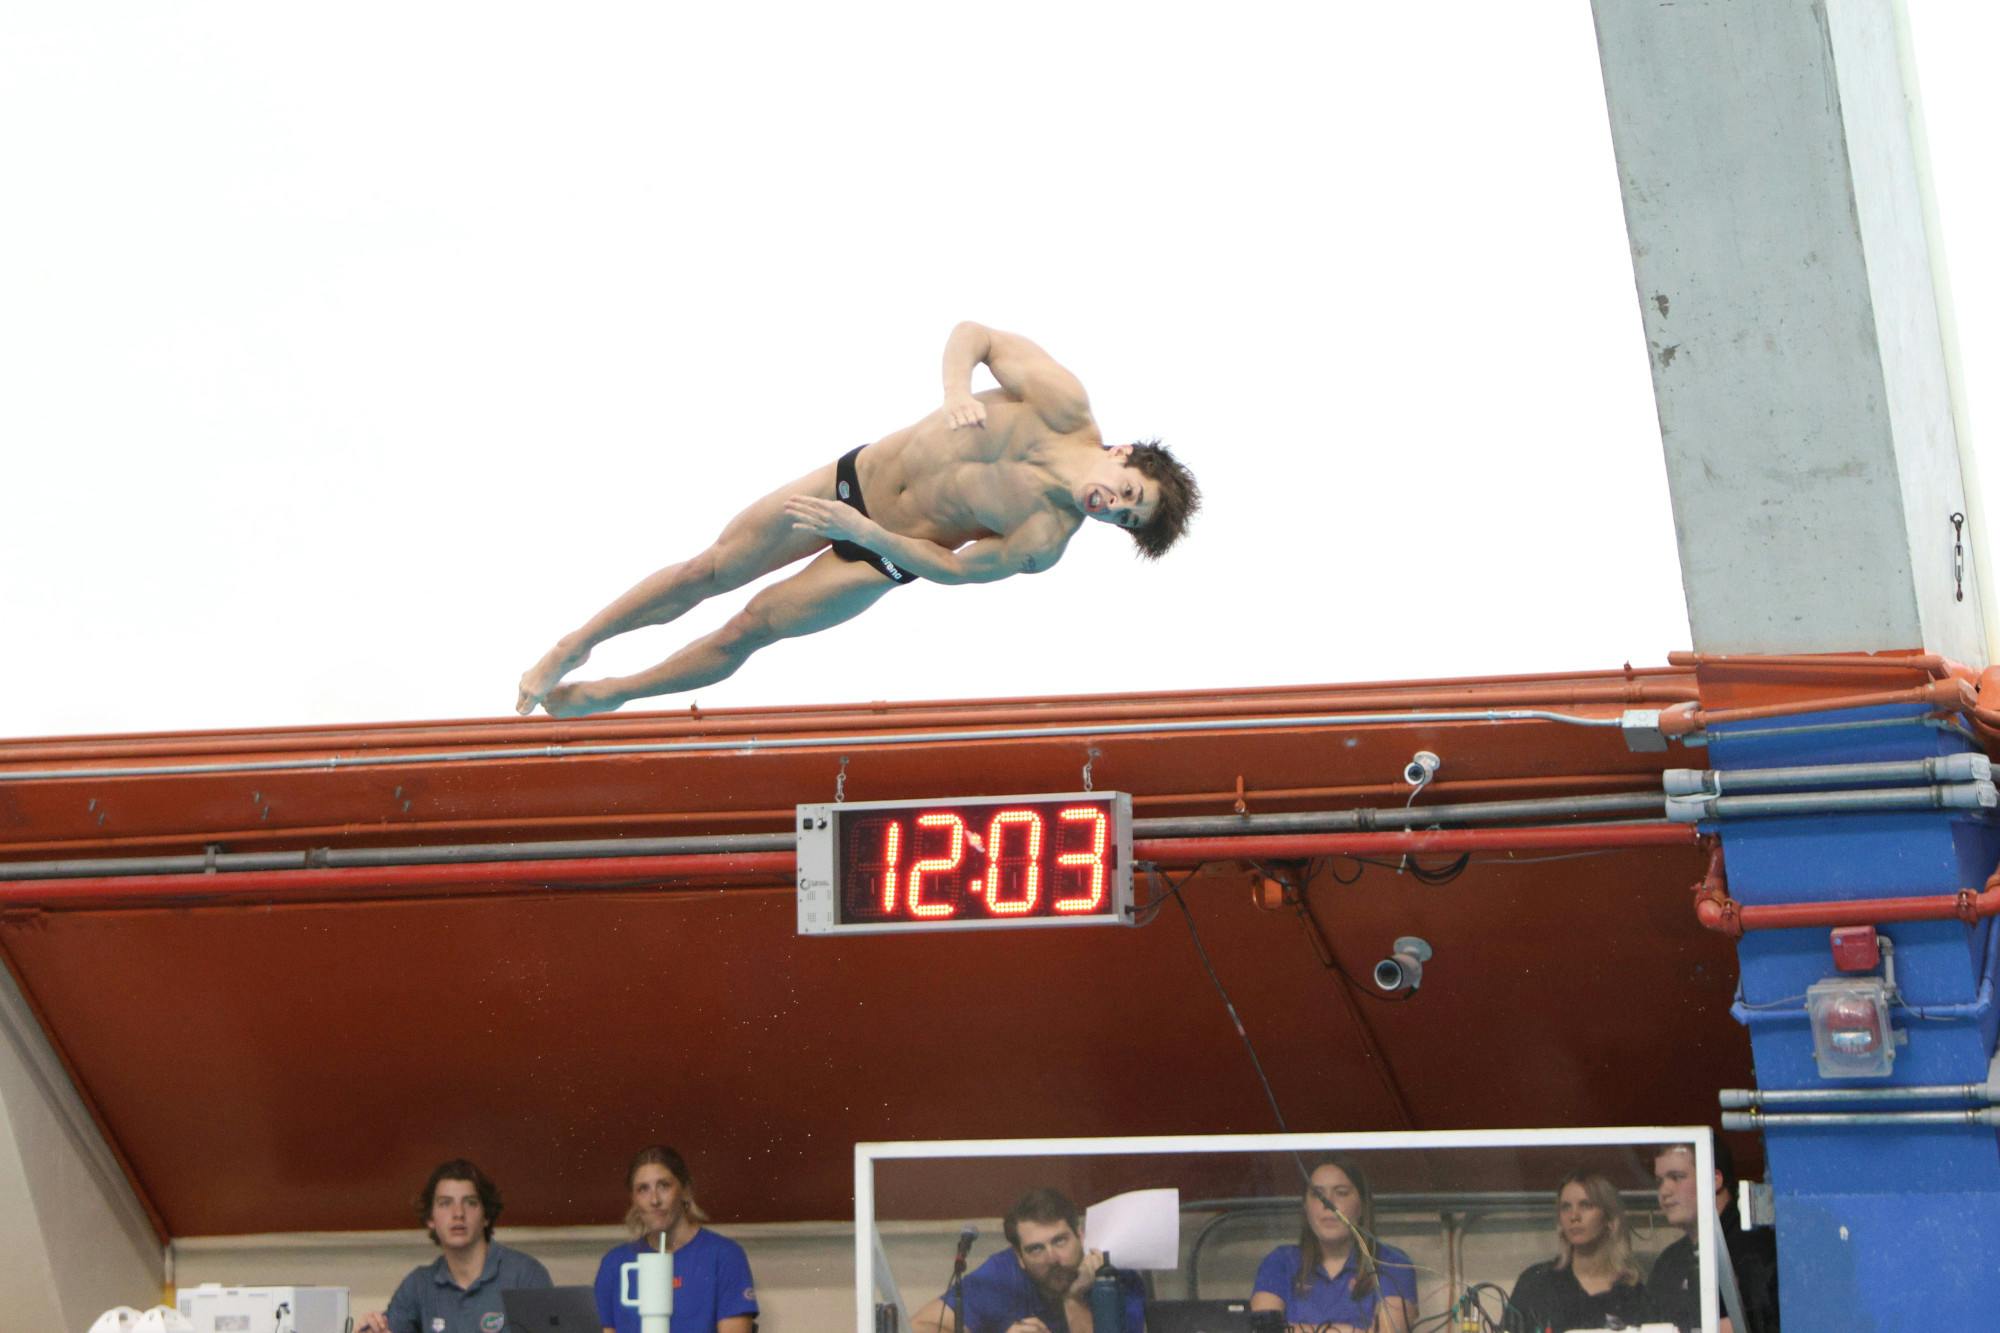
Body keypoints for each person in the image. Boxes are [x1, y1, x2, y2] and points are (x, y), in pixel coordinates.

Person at [516, 322, 1200, 717]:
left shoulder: (1043, 540)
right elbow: (977, 335)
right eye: (1129, 493)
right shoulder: (1062, 403)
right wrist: (956, 390)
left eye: (1125, 519)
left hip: (881, 553)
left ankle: (615, 693)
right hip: (851, 479)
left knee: (749, 628)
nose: (1114, 507)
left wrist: (867, 534)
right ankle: (576, 643)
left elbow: (955, 568)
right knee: (710, 569)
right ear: (1122, 454)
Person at [909, 1187, 1146, 1333]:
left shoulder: (1115, 1278)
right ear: (1019, 1257)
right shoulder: (1001, 1274)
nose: (1052, 1258)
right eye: (1036, 1249)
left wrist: (1073, 1299)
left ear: (1080, 1236)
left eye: (1060, 1241)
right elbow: (919, 1327)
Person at [356, 1158, 552, 1333]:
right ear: (430, 1219)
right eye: (445, 1203)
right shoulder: (418, 1285)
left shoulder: (525, 1275)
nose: (458, 1213)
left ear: (486, 1216)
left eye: (470, 1202)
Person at [591, 1145, 757, 1333]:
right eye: (643, 1189)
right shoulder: (615, 1264)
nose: (654, 1200)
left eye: (664, 1185)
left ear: (685, 1190)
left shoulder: (724, 1256)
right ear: (633, 1200)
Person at [1250, 1157, 1417, 1333]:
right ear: (1305, 1206)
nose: (1327, 1203)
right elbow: (1265, 1331)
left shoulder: (1392, 1262)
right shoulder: (1280, 1261)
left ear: (1362, 1204)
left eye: (1341, 1193)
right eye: (1317, 1194)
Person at [1643, 1140, 1779, 1333]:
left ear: (1714, 1180)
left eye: (1677, 1177)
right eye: (1659, 1181)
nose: (1664, 1191)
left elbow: (1769, 1323)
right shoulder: (1668, 1262)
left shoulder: (1758, 1248)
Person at [1506, 1170, 1646, 1332]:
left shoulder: (1634, 1295)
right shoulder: (1535, 1283)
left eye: (1585, 1205)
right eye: (1566, 1207)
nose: (1574, 1216)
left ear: (1609, 1219)